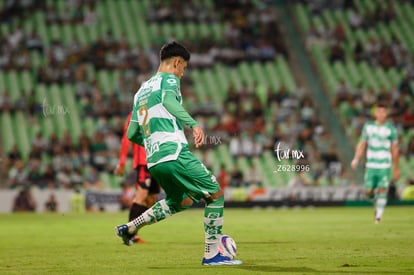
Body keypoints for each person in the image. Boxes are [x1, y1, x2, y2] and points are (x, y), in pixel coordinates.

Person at [115, 41, 242, 265]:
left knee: (179, 200)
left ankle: (130, 227)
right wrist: (194, 125)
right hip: (173, 152)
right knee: (215, 194)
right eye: (184, 68)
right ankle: (212, 254)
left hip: (154, 161)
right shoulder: (169, 79)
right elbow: (168, 100)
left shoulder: (140, 91)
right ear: (176, 62)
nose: (182, 73)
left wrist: (152, 143)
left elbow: (132, 132)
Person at [114, 111, 160, 243]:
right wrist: (121, 163)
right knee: (141, 195)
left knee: (151, 201)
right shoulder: (134, 114)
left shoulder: (156, 110)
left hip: (156, 160)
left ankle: (131, 230)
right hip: (143, 162)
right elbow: (126, 138)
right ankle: (130, 233)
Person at [351, 103, 400, 224]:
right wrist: (356, 158)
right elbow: (362, 143)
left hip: (384, 164)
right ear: (375, 113)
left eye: (383, 112)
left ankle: (378, 216)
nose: (381, 114)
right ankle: (376, 202)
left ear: (386, 113)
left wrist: (396, 168)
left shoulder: (391, 129)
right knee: (368, 192)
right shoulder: (368, 127)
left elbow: (394, 149)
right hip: (371, 165)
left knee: (383, 189)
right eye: (379, 111)